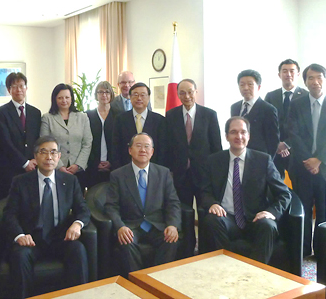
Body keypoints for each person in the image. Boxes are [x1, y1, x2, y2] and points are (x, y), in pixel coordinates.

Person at [3, 136, 90, 299]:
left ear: (59, 157)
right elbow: (9, 214)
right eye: (43, 152)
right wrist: (20, 235)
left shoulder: (70, 181)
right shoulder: (21, 182)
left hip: (60, 238)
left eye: (53, 152)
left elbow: (83, 209)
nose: (49, 157)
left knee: (78, 250)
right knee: (20, 256)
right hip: (31, 239)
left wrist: (77, 224)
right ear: (35, 156)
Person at [198, 117, 291, 264]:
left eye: (243, 132)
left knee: (268, 225)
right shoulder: (214, 161)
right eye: (233, 132)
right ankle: (225, 269)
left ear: (249, 136)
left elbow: (284, 194)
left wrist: (271, 212)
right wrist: (212, 204)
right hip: (226, 217)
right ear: (227, 136)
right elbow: (204, 191)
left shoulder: (263, 160)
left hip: (255, 219)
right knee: (211, 221)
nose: (239, 136)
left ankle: (255, 274)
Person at [287, 63, 326, 257]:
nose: (315, 81)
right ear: (304, 82)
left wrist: (319, 160)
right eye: (311, 78)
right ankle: (303, 249)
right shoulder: (296, 104)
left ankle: (321, 251)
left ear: (325, 80)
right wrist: (309, 160)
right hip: (302, 167)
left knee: (324, 211)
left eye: (319, 77)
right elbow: (293, 134)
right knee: (302, 209)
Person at [105, 133, 181, 277]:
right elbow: (111, 206)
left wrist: (173, 224)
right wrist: (120, 226)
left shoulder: (163, 173)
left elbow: (173, 202)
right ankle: (138, 281)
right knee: (127, 241)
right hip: (131, 225)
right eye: (138, 146)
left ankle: (158, 280)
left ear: (152, 152)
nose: (143, 150)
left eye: (147, 146)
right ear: (130, 150)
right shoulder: (118, 175)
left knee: (171, 240)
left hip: (156, 225)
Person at [166, 79, 222, 211]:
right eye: (182, 93)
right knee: (183, 212)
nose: (187, 96)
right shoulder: (171, 115)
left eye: (190, 92)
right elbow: (167, 145)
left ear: (196, 92)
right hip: (180, 174)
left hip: (204, 174)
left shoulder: (209, 115)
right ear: (178, 94)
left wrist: (216, 172)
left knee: (205, 211)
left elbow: (216, 146)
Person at [0, 72, 41, 201]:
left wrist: (35, 160)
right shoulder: (1, 113)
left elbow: (38, 139)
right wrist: (24, 163)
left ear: (26, 88)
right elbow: (5, 142)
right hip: (10, 168)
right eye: (14, 86)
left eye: (21, 86)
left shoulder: (35, 113)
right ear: (9, 90)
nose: (19, 90)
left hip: (33, 168)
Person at [40, 83, 92, 190]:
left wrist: (78, 165)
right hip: (55, 169)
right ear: (55, 99)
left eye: (67, 97)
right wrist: (59, 166)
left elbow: (87, 142)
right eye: (60, 98)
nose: (64, 100)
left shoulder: (82, 117)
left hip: (78, 170)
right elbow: (45, 143)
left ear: (71, 99)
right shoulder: (47, 118)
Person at [265, 59, 308, 178]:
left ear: (298, 74)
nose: (288, 74)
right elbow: (267, 124)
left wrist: (287, 144)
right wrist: (277, 144)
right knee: (275, 189)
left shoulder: (306, 96)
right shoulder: (271, 96)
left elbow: (305, 126)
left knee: (299, 188)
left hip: (297, 151)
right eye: (284, 71)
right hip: (275, 150)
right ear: (279, 75)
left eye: (292, 71)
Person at [112, 83, 167, 170]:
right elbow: (116, 147)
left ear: (148, 98)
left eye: (143, 95)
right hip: (126, 169)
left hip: (153, 170)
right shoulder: (120, 119)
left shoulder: (160, 120)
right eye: (135, 95)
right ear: (129, 97)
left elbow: (162, 149)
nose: (139, 98)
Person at [230, 70, 279, 158]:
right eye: (242, 84)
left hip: (259, 158)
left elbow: (273, 141)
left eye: (250, 84)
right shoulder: (234, 107)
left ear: (258, 87)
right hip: (238, 157)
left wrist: (267, 162)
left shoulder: (268, 109)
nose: (245, 88)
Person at [85, 81, 116, 188]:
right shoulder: (87, 115)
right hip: (92, 166)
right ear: (96, 95)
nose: (104, 95)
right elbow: (85, 142)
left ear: (111, 94)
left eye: (107, 92)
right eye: (100, 92)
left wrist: (111, 162)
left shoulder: (119, 115)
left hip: (114, 166)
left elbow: (120, 142)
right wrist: (95, 162)